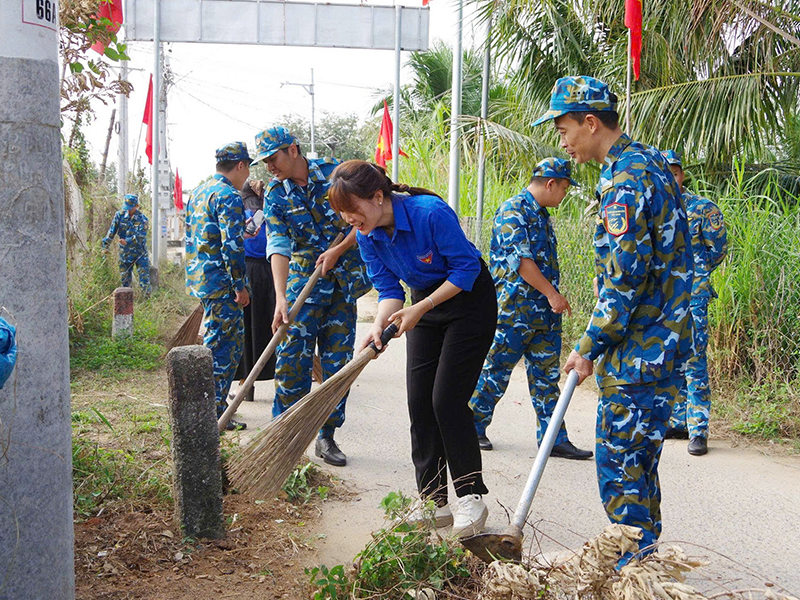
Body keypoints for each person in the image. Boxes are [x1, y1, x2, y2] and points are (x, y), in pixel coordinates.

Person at [534, 76, 692, 563]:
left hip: (638, 354)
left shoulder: (626, 182)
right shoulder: (651, 165)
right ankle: (647, 566)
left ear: (590, 121)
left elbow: (623, 283)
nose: (561, 140)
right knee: (641, 467)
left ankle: (634, 571)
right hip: (661, 347)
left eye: (563, 128)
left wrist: (586, 347)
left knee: (621, 471)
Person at [328, 160, 497, 538]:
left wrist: (420, 308)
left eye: (352, 210)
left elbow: (466, 270)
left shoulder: (430, 214)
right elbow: (389, 291)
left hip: (468, 302)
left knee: (447, 401)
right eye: (342, 214)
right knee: (419, 401)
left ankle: (470, 498)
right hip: (424, 303)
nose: (349, 220)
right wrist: (378, 325)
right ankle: (433, 501)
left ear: (377, 196)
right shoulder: (368, 235)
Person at [252, 127, 371, 467]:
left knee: (336, 366)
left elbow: (363, 219)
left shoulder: (337, 173)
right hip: (303, 285)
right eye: (264, 162)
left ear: (292, 150)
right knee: (292, 362)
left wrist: (341, 249)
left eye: (273, 158)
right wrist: (279, 297)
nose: (270, 167)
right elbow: (278, 244)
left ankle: (327, 436)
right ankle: (283, 436)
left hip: (342, 284)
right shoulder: (275, 193)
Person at [469, 158, 593, 460]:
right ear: (550, 184)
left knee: (547, 379)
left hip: (542, 316)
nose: (564, 196)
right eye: (563, 189)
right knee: (496, 371)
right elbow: (522, 263)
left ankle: (553, 439)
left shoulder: (539, 213)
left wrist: (550, 300)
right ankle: (471, 426)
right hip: (514, 313)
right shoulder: (513, 211)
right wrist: (553, 295)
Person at [662, 150, 728, 456]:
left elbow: (719, 248)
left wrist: (698, 269)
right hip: (663, 297)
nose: (671, 178)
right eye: (665, 173)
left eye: (675, 172)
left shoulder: (702, 208)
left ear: (682, 174)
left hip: (693, 294)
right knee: (671, 357)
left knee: (694, 360)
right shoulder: (656, 208)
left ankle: (699, 429)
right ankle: (679, 421)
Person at [185, 142, 251, 431]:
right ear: (240, 166)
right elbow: (232, 246)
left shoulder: (199, 192)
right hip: (223, 284)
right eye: (247, 168)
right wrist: (240, 286)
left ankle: (208, 407)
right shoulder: (228, 196)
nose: (247, 175)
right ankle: (213, 413)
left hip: (202, 280)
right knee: (224, 348)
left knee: (214, 342)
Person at [231, 179, 277, 402]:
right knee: (270, 326)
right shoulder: (269, 209)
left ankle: (246, 387)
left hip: (247, 270)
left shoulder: (240, 210)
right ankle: (280, 382)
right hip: (272, 271)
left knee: (247, 330)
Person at [102, 194, 151, 296]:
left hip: (140, 254)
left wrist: (127, 241)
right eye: (127, 207)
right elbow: (111, 232)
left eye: (131, 208)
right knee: (125, 283)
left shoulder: (143, 219)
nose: (128, 210)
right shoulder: (119, 216)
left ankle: (147, 302)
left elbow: (141, 237)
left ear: (136, 206)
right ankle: (127, 304)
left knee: (144, 281)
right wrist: (105, 246)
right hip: (125, 254)